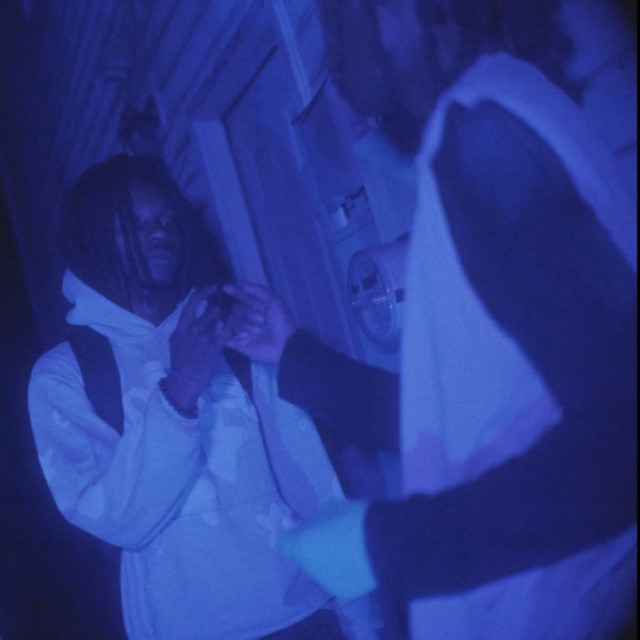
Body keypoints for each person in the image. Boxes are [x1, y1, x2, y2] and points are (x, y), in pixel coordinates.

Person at [223, 1, 637, 638]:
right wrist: (292, 353)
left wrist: (381, 543)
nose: (328, 52)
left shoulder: (482, 140)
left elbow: (621, 448)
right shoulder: (502, 107)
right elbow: (475, 410)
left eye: (334, 20)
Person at [27, 153, 381, 639]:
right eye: (132, 223)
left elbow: (313, 481)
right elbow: (119, 519)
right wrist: (181, 386)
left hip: (305, 618)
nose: (159, 233)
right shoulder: (65, 375)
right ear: (91, 238)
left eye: (166, 220)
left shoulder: (229, 330)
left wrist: (365, 619)